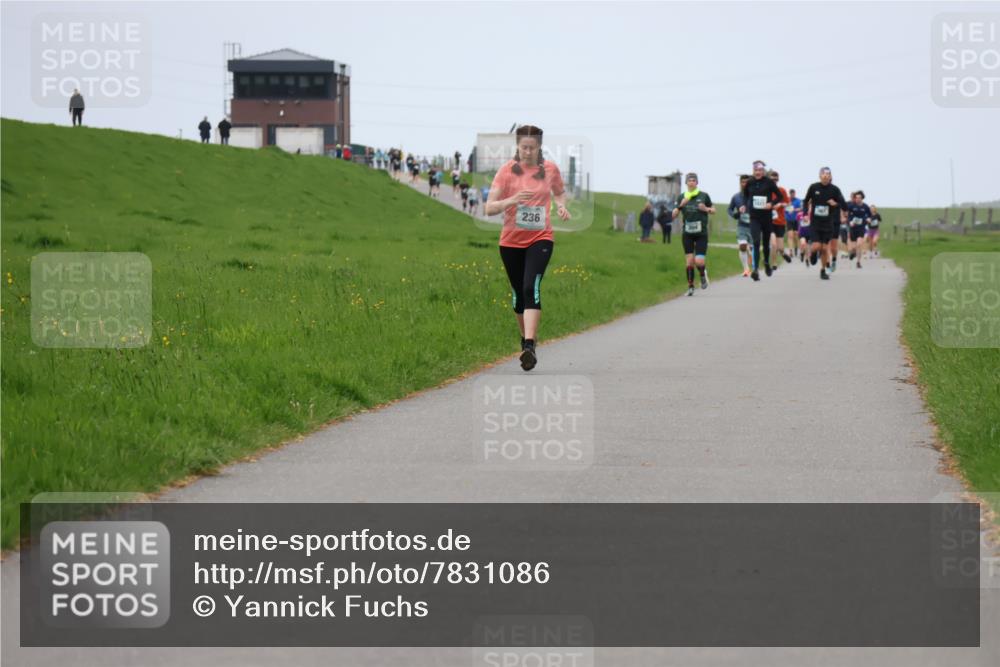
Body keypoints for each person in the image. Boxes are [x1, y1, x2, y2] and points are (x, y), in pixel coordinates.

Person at [485, 125, 570, 371]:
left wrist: (561, 206)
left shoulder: (550, 169)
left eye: (532, 147)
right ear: (517, 146)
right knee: (517, 293)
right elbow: (489, 207)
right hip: (510, 241)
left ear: (540, 147)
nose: (528, 151)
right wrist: (511, 200)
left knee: (530, 286)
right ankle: (525, 342)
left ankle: (530, 345)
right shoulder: (506, 172)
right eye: (524, 147)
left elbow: (560, 193)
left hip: (540, 238)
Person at [673, 172, 715, 296]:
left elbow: (714, 210)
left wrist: (706, 209)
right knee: (689, 260)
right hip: (687, 233)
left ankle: (702, 274)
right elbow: (673, 215)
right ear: (686, 183)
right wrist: (681, 206)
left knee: (699, 261)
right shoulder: (681, 197)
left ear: (697, 183)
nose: (691, 182)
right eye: (689, 180)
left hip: (701, 233)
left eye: (693, 180)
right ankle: (690, 286)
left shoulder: (704, 196)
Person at [740, 160, 783, 281]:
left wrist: (771, 203)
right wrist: (744, 205)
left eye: (760, 170)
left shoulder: (769, 182)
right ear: (753, 171)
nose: (757, 172)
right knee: (756, 241)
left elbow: (779, 196)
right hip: (754, 217)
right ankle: (755, 269)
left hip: (766, 217)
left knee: (765, 243)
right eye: (755, 170)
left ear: (763, 171)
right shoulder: (750, 182)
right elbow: (745, 196)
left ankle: (766, 263)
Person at [802, 166, 847, 280]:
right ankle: (812, 253)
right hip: (816, 223)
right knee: (817, 246)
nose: (825, 176)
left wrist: (835, 204)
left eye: (828, 174)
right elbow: (806, 201)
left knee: (824, 248)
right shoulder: (813, 187)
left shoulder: (835, 190)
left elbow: (844, 205)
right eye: (823, 174)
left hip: (828, 224)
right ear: (820, 176)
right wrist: (805, 214)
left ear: (830, 177)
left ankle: (823, 271)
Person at [728, 174, 753, 276]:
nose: (745, 184)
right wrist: (735, 214)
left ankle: (752, 266)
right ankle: (746, 269)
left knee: (751, 249)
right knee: (742, 245)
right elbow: (729, 209)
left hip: (753, 226)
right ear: (740, 183)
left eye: (747, 182)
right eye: (743, 182)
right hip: (741, 226)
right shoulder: (736, 197)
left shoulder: (755, 196)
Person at [845, 190, 872, 269]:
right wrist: (850, 222)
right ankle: (852, 252)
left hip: (861, 228)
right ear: (855, 198)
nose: (858, 199)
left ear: (862, 198)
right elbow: (848, 216)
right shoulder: (851, 206)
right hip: (853, 228)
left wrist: (869, 219)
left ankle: (858, 262)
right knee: (854, 247)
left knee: (859, 244)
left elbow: (870, 216)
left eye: (859, 198)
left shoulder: (865, 207)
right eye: (856, 198)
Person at [769, 170, 791, 264]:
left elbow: (788, 203)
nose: (774, 180)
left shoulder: (782, 190)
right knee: (773, 244)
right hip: (769, 222)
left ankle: (783, 253)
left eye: (775, 179)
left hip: (780, 222)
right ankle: (774, 264)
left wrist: (780, 204)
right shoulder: (766, 191)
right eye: (772, 179)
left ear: (778, 180)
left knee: (780, 248)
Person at [785, 188, 802, 257]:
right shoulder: (787, 200)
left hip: (796, 220)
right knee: (790, 235)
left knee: (796, 235)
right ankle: (790, 251)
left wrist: (794, 209)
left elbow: (801, 208)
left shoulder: (798, 201)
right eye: (791, 193)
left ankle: (796, 248)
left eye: (793, 193)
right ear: (789, 194)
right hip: (788, 220)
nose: (792, 194)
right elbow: (784, 208)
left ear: (795, 193)